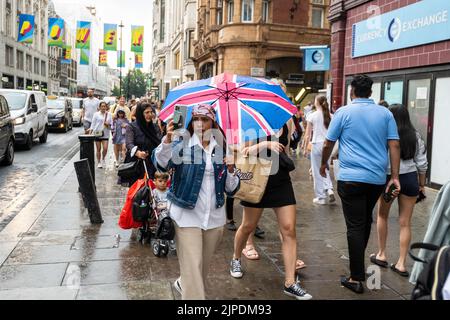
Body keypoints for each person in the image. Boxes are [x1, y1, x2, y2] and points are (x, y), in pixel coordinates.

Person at [320, 74, 401, 294]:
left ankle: (356, 277)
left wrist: (323, 164)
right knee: (364, 221)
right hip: (376, 179)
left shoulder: (343, 112)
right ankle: (358, 265)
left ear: (352, 91)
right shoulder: (385, 113)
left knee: (355, 225)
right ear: (371, 93)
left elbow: (329, 142)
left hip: (350, 178)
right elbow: (394, 144)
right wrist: (395, 176)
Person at [153, 103, 240, 300]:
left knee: (200, 269)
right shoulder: (182, 143)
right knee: (193, 268)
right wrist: (167, 139)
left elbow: (231, 188)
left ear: (213, 123)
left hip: (214, 218)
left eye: (205, 119)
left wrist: (233, 169)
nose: (200, 123)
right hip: (186, 215)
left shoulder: (221, 147)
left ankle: (183, 283)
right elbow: (161, 163)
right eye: (196, 119)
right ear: (191, 122)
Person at [230, 122, 312, 300]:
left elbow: (287, 150)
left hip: (281, 180)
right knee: (248, 226)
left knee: (289, 228)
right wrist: (265, 144)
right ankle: (236, 258)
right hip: (258, 180)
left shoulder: (286, 122)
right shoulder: (253, 122)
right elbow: (243, 150)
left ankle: (290, 283)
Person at [370, 104, 428, 277]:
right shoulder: (415, 135)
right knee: (405, 222)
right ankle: (402, 263)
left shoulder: (384, 134)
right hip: (410, 178)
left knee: (382, 215)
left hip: (390, 179)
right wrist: (422, 184)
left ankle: (382, 254)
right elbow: (422, 163)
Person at [303, 95, 335, 205]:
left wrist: (304, 147)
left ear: (317, 103)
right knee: (325, 167)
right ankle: (329, 189)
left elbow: (307, 135)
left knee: (317, 170)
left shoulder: (312, 116)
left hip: (316, 144)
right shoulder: (331, 116)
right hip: (328, 145)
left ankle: (321, 197)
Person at [123, 102, 161, 185]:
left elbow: (159, 143)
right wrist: (138, 152)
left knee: (152, 188)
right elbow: (129, 143)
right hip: (137, 164)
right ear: (140, 114)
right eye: (146, 112)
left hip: (152, 162)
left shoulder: (155, 127)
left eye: (151, 112)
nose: (150, 115)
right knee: (137, 191)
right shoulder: (132, 127)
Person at [89, 101, 112, 168]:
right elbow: (93, 124)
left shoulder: (109, 114)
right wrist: (90, 132)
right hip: (97, 133)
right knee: (98, 149)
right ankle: (99, 162)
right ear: (99, 107)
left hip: (105, 134)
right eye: (102, 106)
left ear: (106, 107)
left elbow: (111, 126)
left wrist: (108, 124)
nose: (103, 108)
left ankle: (103, 158)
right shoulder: (96, 114)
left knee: (105, 148)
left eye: (104, 106)